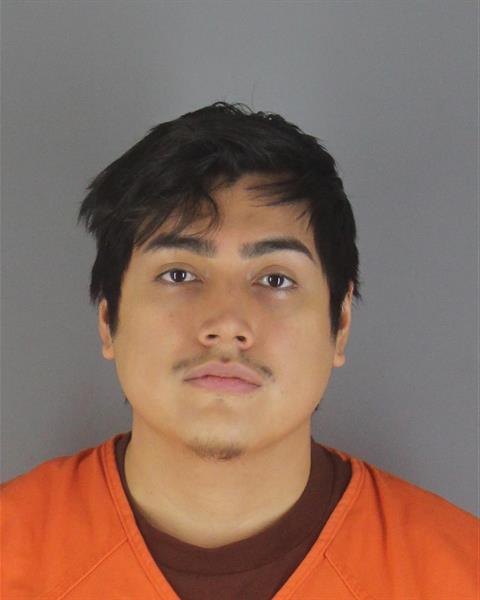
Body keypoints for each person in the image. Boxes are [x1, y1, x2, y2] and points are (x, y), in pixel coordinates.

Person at [1, 102, 477, 600]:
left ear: (339, 324)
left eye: (275, 279)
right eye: (179, 274)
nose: (226, 324)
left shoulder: (462, 572)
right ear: (108, 319)